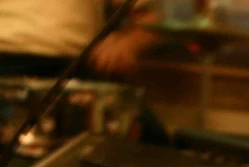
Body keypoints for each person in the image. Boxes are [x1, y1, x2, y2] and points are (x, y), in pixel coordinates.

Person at [0, 0, 169, 145]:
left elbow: (157, 17)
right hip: (6, 63)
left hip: (75, 70)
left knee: (154, 143)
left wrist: (128, 43)